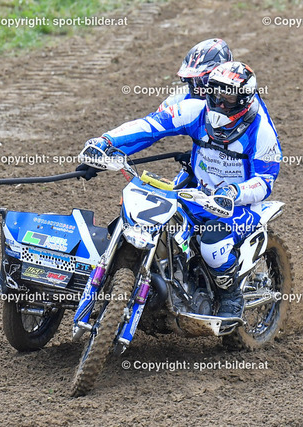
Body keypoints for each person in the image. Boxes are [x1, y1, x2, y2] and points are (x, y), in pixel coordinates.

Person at [79, 62, 282, 318]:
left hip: (238, 206)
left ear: (243, 99)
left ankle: (230, 297)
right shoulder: (196, 111)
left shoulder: (261, 131)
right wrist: (106, 141)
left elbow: (264, 180)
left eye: (228, 97)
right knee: (156, 224)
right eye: (215, 93)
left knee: (212, 245)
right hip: (197, 195)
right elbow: (150, 126)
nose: (220, 102)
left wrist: (233, 193)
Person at [157, 38, 233, 112]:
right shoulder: (178, 98)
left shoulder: (237, 100)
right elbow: (157, 118)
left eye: (205, 80)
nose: (198, 88)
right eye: (192, 80)